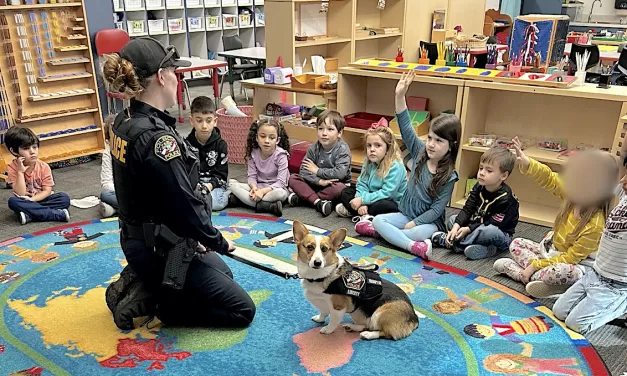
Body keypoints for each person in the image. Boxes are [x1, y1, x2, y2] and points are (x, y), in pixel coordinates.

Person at [101, 37, 255, 329]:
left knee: (223, 275)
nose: (177, 77)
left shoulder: (124, 119)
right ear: (161, 76)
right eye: (174, 71)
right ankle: (161, 305)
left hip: (144, 239)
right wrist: (218, 241)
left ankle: (146, 282)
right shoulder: (159, 140)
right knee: (241, 310)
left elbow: (158, 196)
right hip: (160, 249)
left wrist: (195, 238)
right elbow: (184, 204)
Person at [494, 138, 617, 299]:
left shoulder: (595, 225)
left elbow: (570, 258)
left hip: (574, 265)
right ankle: (533, 278)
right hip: (551, 253)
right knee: (516, 243)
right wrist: (527, 163)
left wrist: (535, 265)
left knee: (564, 272)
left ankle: (524, 275)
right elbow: (549, 178)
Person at [372, 70, 460, 260]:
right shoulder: (420, 152)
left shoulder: (450, 176)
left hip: (429, 222)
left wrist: (415, 223)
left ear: (451, 146)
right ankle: (413, 247)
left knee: (415, 232)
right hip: (405, 214)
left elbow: (436, 210)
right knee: (379, 221)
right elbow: (405, 126)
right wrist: (400, 95)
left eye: (438, 141)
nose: (431, 144)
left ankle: (395, 238)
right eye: (429, 138)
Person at [552, 152, 627, 334]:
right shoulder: (624, 194)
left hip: (617, 285)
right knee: (558, 311)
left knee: (576, 324)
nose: (623, 181)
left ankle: (622, 307)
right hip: (595, 274)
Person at [431, 146, 519, 260]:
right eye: (481, 168)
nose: (482, 173)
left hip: (499, 233)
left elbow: (490, 222)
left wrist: (468, 229)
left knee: (488, 231)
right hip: (476, 223)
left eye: (489, 170)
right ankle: (487, 249)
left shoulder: (505, 198)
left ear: (503, 175)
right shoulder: (478, 186)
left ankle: (454, 243)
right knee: (453, 220)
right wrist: (456, 227)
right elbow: (467, 209)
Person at [335, 119, 407, 237]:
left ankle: (355, 211)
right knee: (345, 191)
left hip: (391, 201)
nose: (372, 149)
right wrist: (361, 201)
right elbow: (362, 183)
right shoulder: (368, 162)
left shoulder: (396, 166)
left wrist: (363, 200)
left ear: (388, 148)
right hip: (370, 197)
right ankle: (363, 213)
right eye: (369, 145)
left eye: (378, 145)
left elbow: (387, 193)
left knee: (383, 205)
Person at [288, 109, 352, 216]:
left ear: (339, 133)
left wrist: (317, 171)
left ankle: (305, 198)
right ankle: (318, 202)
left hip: (335, 185)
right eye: (320, 129)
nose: (324, 133)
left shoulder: (343, 150)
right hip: (316, 183)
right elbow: (303, 170)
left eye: (330, 129)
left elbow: (340, 174)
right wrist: (319, 181)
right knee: (293, 178)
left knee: (340, 188)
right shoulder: (313, 148)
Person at [5, 127, 70, 225]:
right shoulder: (13, 167)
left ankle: (30, 215)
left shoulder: (43, 166)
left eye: (34, 147)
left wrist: (32, 200)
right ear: (14, 151)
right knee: (13, 202)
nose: (32, 152)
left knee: (64, 198)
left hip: (40, 199)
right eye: (26, 148)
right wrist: (20, 172)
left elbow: (47, 190)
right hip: (24, 201)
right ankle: (56, 215)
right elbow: (21, 193)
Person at [228, 119, 291, 216]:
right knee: (231, 184)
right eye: (262, 136)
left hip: (274, 189)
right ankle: (266, 206)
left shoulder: (281, 155)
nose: (266, 141)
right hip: (258, 187)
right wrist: (254, 188)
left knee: (280, 194)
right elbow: (251, 176)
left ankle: (246, 201)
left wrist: (263, 192)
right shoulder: (253, 153)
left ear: (277, 140)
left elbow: (281, 182)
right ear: (256, 138)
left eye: (271, 138)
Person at [185, 96, 230, 211]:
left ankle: (230, 195)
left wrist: (209, 186)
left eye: (208, 120)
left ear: (215, 121)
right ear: (191, 121)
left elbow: (221, 174)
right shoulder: (186, 144)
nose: (204, 126)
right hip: (195, 184)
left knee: (217, 203)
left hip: (214, 185)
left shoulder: (221, 145)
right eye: (199, 120)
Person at [100, 115, 119, 217]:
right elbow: (106, 182)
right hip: (121, 192)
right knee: (105, 195)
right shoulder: (108, 152)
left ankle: (114, 209)